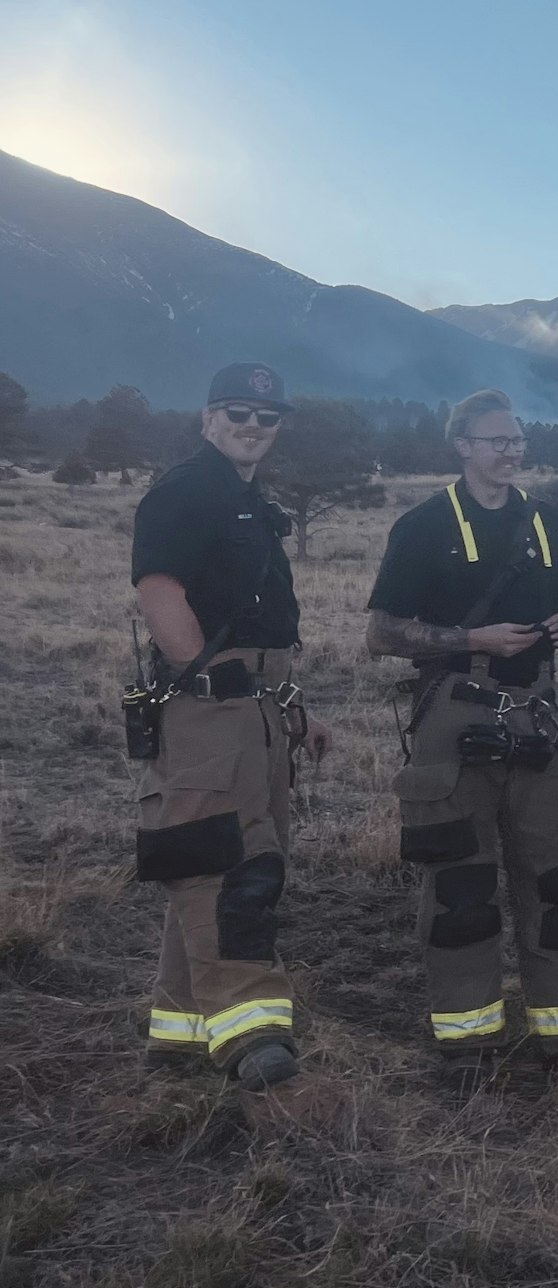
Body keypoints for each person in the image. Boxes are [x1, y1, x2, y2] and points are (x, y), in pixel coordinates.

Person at [364, 388, 558, 1091]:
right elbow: (381, 634)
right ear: (462, 446)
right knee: (461, 880)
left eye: (517, 440)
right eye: (497, 440)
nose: (511, 451)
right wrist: (470, 637)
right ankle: (469, 1047)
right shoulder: (424, 525)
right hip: (454, 715)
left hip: (535, 714)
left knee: (555, 874)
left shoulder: (546, 521)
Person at [131, 362, 333, 1089]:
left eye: (267, 417)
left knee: (224, 848)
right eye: (238, 413)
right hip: (213, 703)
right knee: (228, 860)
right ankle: (253, 1029)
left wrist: (291, 708)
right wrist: (203, 683)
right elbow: (159, 590)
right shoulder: (187, 489)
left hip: (259, 703)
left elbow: (261, 622)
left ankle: (179, 1031)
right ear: (209, 418)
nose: (252, 426)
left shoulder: (247, 499)